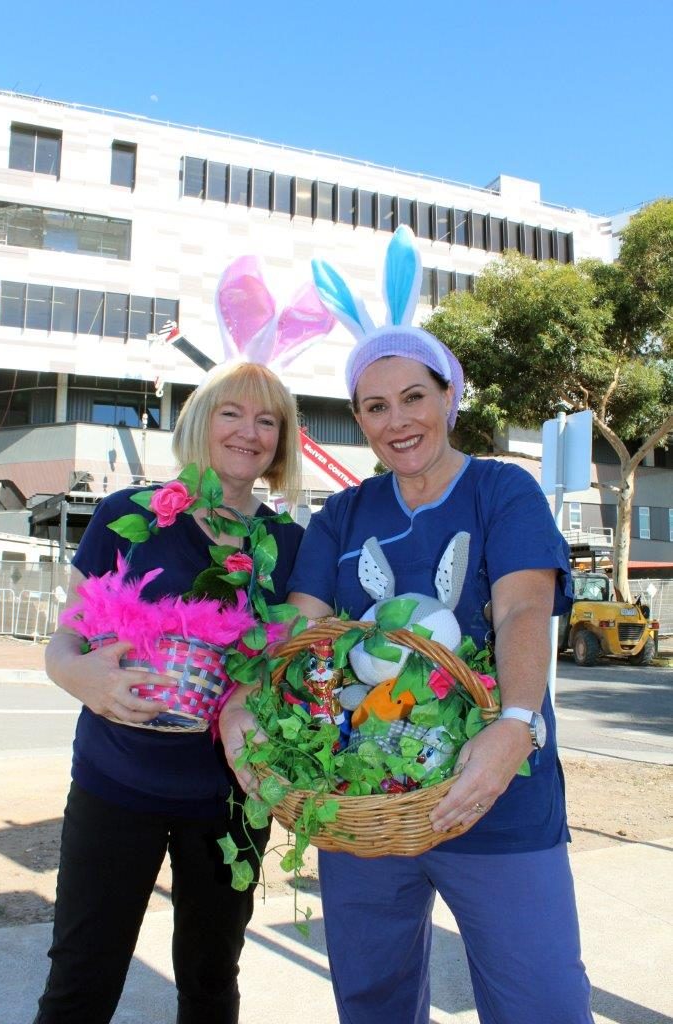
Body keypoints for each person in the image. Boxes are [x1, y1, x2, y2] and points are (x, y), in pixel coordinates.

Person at [226, 228, 594, 1023]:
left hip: (495, 795)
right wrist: (242, 703)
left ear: (448, 396)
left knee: (542, 1003)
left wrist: (515, 725)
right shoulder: (343, 514)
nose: (397, 421)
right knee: (374, 1001)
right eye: (375, 406)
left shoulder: (502, 491)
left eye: (414, 397)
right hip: (368, 801)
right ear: (359, 418)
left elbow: (523, 608)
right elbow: (300, 629)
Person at [33, 361, 304, 1024]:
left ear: (281, 441)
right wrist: (80, 677)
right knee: (80, 982)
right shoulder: (126, 516)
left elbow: (295, 667)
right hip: (114, 783)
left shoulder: (292, 546)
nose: (248, 432)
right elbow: (64, 642)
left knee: (211, 982)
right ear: (200, 421)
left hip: (231, 797)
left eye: (267, 420)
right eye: (231, 413)